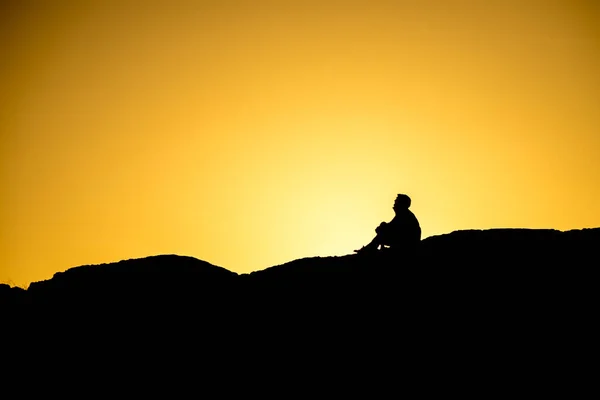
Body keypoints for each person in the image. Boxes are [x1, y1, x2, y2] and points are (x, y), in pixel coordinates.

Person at [354, 194, 421, 255]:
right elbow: (391, 226)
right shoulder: (402, 214)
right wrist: (383, 226)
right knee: (382, 231)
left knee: (381, 235)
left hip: (407, 244)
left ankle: (368, 250)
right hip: (403, 240)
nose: (394, 201)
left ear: (401, 203)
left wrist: (383, 228)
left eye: (397, 200)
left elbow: (396, 229)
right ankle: (369, 249)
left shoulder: (405, 215)